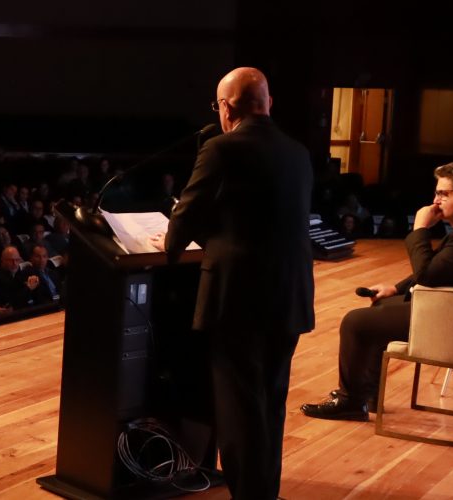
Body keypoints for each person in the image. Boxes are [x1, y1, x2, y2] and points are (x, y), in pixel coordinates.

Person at [153, 67, 314, 500]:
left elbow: (186, 214)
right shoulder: (297, 151)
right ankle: (264, 492)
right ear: (268, 103)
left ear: (226, 107)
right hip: (290, 294)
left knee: (239, 406)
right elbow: (262, 220)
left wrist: (171, 244)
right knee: (270, 401)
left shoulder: (221, 148)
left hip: (238, 297)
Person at [302, 161, 453, 421]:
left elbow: (428, 274)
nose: (436, 201)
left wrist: (420, 229)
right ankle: (364, 395)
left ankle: (350, 401)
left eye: (443, 194)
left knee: (355, 322)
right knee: (382, 305)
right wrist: (395, 288)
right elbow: (442, 266)